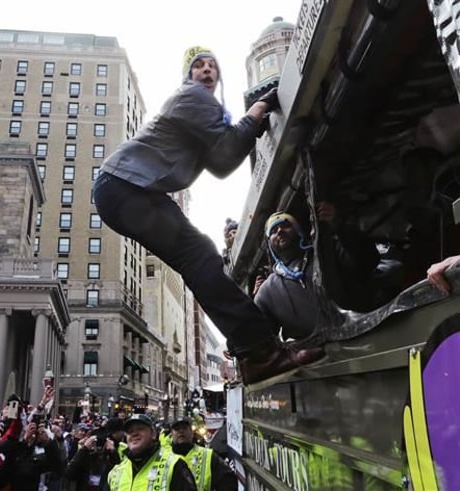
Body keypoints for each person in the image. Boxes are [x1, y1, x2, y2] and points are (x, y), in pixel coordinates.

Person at [92, 45, 324, 386]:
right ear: (190, 75)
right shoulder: (194, 97)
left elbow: (219, 161)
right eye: (198, 66)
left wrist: (250, 125)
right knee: (199, 256)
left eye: (212, 66)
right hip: (126, 186)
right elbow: (228, 153)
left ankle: (256, 354)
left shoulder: (202, 109)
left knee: (199, 257)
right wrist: (260, 108)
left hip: (130, 190)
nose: (206, 71)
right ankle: (260, 351)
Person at [254, 203, 381, 341]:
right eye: (273, 231)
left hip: (367, 336)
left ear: (299, 231)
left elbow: (368, 260)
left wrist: (340, 226)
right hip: (321, 359)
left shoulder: (327, 252)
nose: (280, 231)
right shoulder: (266, 292)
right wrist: (251, 306)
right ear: (270, 245)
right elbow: (258, 335)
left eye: (286, 225)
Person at [107, 414, 196, 491]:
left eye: (140, 429)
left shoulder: (175, 465)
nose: (134, 434)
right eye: (130, 431)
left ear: (153, 434)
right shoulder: (116, 471)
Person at [169, 419, 236, 491]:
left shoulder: (208, 456)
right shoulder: (164, 458)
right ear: (171, 434)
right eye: (177, 429)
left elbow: (228, 481)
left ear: (192, 432)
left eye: (184, 428)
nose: (181, 431)